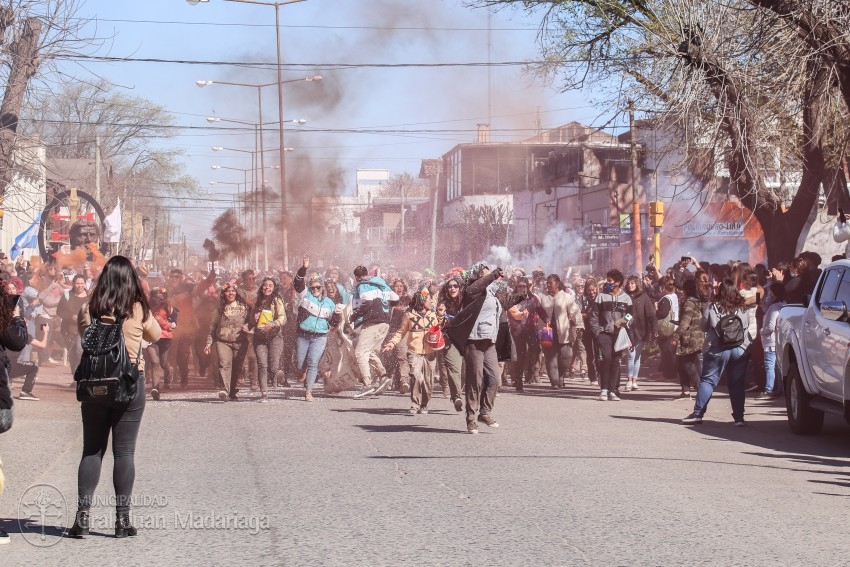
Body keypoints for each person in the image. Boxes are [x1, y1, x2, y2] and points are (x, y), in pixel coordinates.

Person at [67, 255, 161, 539]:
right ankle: (122, 521)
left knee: (92, 450)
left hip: (95, 386)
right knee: (124, 452)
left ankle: (81, 519)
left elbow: (87, 337)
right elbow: (155, 335)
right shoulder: (138, 310)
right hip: (129, 386)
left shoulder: (89, 309)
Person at [445, 263, 524, 434]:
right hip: (474, 342)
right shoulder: (472, 292)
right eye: (486, 275)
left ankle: (485, 412)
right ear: (479, 277)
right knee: (475, 380)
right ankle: (471, 418)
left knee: (495, 378)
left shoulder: (492, 293)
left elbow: (505, 304)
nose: (492, 278)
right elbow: (478, 285)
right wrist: (493, 274)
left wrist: (522, 295)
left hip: (490, 343)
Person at [682, 279, 752, 426]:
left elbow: (703, 326)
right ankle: (739, 418)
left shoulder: (713, 307)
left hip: (717, 348)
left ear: (720, 291)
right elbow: (746, 325)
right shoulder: (742, 307)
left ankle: (698, 414)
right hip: (740, 348)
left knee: (708, 381)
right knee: (737, 383)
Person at [382, 287, 441, 414]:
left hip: (430, 353)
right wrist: (392, 343)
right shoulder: (409, 315)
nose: (431, 302)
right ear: (422, 301)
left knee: (428, 381)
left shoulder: (433, 315)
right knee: (416, 376)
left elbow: (438, 329)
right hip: (414, 352)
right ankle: (415, 404)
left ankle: (424, 404)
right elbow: (401, 332)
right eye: (429, 300)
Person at [293, 257, 343, 401]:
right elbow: (298, 283)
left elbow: (333, 323)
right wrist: (304, 268)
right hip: (303, 335)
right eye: (313, 287)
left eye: (318, 287)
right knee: (300, 362)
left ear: (322, 289)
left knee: (313, 362)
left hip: (320, 337)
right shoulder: (305, 296)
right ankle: (302, 370)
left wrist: (338, 315)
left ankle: (308, 391)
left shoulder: (329, 303)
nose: (315, 289)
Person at [350, 264, 398, 398]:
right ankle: (383, 377)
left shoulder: (362, 285)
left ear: (357, 277)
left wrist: (355, 316)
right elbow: (395, 299)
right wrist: (384, 308)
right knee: (368, 351)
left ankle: (367, 384)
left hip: (372, 323)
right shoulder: (381, 284)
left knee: (360, 352)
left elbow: (367, 303)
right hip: (385, 323)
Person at [589, 269, 633, 401]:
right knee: (606, 358)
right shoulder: (601, 296)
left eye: (610, 281)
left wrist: (624, 320)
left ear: (618, 283)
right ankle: (603, 389)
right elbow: (594, 316)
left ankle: (612, 390)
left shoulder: (627, 298)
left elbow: (631, 315)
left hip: (619, 335)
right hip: (603, 333)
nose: (607, 283)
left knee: (616, 361)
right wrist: (597, 332)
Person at [533, 273, 583, 389]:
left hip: (564, 332)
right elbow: (535, 304)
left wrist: (579, 324)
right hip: (547, 333)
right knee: (551, 357)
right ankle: (555, 381)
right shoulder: (542, 296)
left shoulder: (566, 297)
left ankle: (561, 376)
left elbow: (575, 312)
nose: (548, 285)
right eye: (547, 283)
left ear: (557, 284)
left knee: (566, 355)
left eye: (551, 283)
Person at [204, 283, 250, 402]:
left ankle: (232, 390)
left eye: (233, 291)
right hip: (222, 341)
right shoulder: (219, 309)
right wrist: (209, 343)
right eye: (227, 291)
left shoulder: (244, 307)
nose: (230, 293)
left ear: (236, 293)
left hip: (240, 342)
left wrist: (250, 328)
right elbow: (212, 327)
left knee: (237, 367)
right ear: (223, 294)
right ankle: (224, 389)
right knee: (224, 364)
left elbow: (252, 322)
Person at [249, 277, 286, 402]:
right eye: (265, 285)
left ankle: (277, 374)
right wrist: (254, 318)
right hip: (259, 337)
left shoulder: (277, 300)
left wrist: (273, 324)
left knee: (273, 366)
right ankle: (264, 393)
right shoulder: (257, 300)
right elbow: (251, 319)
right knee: (262, 365)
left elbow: (283, 318)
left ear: (274, 288)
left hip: (275, 336)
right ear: (262, 287)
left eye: (270, 285)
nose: (267, 288)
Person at [436, 275, 466, 409]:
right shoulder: (443, 303)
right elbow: (438, 324)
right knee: (454, 368)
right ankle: (457, 396)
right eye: (450, 286)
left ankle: (457, 393)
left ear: (460, 287)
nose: (452, 288)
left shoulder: (467, 301)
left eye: (455, 286)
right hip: (450, 339)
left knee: (465, 371)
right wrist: (441, 314)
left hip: (467, 340)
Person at [624, 275, 656, 391]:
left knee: (637, 356)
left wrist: (654, 330)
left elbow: (651, 314)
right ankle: (629, 380)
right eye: (629, 283)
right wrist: (628, 318)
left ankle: (634, 381)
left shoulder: (644, 297)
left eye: (633, 283)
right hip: (629, 331)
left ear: (637, 284)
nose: (630, 285)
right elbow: (624, 313)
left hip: (642, 330)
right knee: (631, 355)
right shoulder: (625, 296)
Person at [674, 279, 704, 400]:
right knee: (682, 363)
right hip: (693, 336)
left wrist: (676, 335)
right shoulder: (693, 301)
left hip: (690, 337)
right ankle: (685, 391)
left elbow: (686, 321)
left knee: (688, 364)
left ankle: (701, 390)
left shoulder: (690, 302)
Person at [758, 281, 786, 400]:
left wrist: (761, 331)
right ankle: (781, 389)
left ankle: (768, 389)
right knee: (778, 367)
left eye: (770, 293)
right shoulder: (784, 305)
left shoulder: (774, 307)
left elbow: (770, 326)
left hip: (770, 341)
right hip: (778, 340)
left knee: (769, 365)